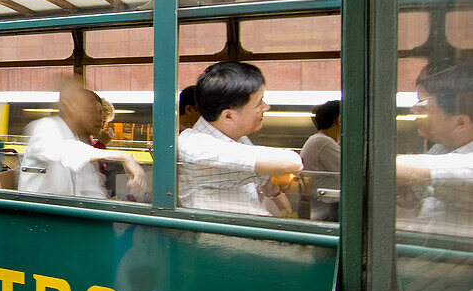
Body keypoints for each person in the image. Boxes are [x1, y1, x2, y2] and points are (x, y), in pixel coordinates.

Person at [177, 62, 302, 215]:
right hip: (214, 238)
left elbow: (269, 185)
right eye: (259, 102)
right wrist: (279, 170)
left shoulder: (238, 138)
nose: (266, 107)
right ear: (228, 116)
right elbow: (291, 162)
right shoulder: (194, 144)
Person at [19, 79, 147, 200]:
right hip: (40, 216)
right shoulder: (46, 127)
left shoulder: (79, 140)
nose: (99, 117)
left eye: (100, 112)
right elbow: (67, 152)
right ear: (69, 105)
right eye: (90, 111)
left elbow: (91, 190)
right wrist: (123, 156)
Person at [396, 60, 473, 235]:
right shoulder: (442, 147)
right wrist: (411, 203)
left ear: (460, 122)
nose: (413, 111)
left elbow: (391, 168)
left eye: (423, 106)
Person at [301, 100, 341, 220]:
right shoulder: (324, 142)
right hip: (327, 209)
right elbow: (349, 174)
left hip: (322, 206)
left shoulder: (318, 140)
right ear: (339, 120)